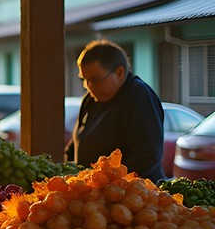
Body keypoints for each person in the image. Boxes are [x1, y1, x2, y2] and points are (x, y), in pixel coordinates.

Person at [66, 39, 165, 180]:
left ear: (119, 72)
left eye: (95, 79)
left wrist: (105, 182)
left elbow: (147, 156)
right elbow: (78, 141)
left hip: (131, 194)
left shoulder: (138, 95)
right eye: (85, 80)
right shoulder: (90, 98)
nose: (89, 86)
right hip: (91, 192)